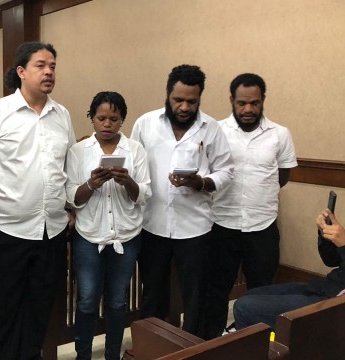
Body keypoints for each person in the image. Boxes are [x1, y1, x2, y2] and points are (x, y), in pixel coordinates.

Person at [0, 41, 76, 360]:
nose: (49, 72)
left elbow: (67, 167)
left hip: (50, 231)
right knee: (2, 313)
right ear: (21, 71)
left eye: (53, 66)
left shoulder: (62, 115)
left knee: (39, 311)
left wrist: (69, 207)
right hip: (4, 230)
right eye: (41, 65)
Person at [130, 64, 234, 336]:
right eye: (178, 100)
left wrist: (200, 182)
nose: (185, 107)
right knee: (153, 293)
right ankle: (152, 347)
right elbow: (133, 166)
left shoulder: (211, 128)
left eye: (192, 101)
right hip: (152, 225)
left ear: (200, 98)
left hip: (195, 228)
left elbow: (226, 171)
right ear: (167, 94)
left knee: (196, 296)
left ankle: (191, 349)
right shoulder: (145, 123)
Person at [199, 73, 298, 339]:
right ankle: (212, 342)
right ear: (232, 100)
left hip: (262, 225)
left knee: (262, 292)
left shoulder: (280, 134)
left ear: (263, 100)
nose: (248, 109)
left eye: (254, 103)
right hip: (221, 222)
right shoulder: (216, 131)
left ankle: (257, 344)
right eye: (242, 103)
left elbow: (283, 177)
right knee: (216, 289)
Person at [67, 91, 151, 360]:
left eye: (114, 119)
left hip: (126, 235)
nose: (107, 124)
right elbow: (71, 196)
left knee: (117, 302)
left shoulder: (135, 149)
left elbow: (144, 195)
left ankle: (113, 355)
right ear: (92, 118)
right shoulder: (78, 151)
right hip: (88, 236)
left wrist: (127, 181)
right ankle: (83, 355)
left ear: (122, 120)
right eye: (101, 118)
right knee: (88, 300)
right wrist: (92, 183)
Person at [234, 209, 345, 329]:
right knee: (251, 295)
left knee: (245, 306)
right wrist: (326, 234)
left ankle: (262, 350)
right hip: (325, 287)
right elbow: (332, 260)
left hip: (340, 301)